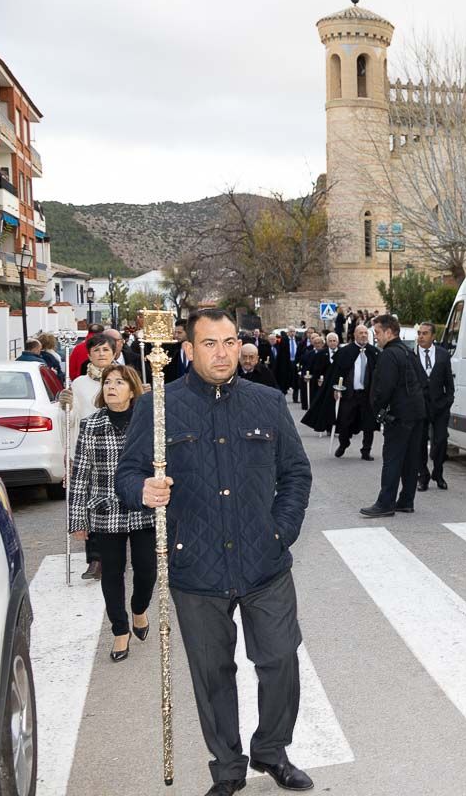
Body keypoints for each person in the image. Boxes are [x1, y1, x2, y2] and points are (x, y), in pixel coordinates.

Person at [116, 309, 314, 796]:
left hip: (264, 563)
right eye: (210, 343)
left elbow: (295, 474)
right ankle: (228, 769)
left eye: (230, 342)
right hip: (195, 567)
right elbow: (127, 475)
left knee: (280, 661)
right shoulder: (158, 406)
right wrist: (144, 489)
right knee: (212, 673)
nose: (223, 352)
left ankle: (272, 750)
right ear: (188, 350)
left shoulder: (267, 402)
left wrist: (279, 531)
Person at [67, 364, 155, 662]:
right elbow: (80, 474)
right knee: (112, 573)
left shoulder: (149, 422)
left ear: (133, 389)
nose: (111, 387)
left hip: (143, 506)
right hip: (106, 509)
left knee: (147, 570)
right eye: (107, 382)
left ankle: (139, 609)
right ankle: (119, 630)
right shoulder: (92, 425)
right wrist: (77, 519)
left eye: (119, 382)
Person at [65, 333, 119, 580]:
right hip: (90, 450)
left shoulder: (124, 377)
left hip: (119, 447)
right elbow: (71, 418)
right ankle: (95, 559)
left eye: (105, 350)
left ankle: (116, 554)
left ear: (114, 353)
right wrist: (64, 405)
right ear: (88, 355)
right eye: (96, 350)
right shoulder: (78, 384)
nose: (101, 354)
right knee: (92, 504)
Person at [361, 315, 427, 517]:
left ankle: (386, 503)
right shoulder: (408, 352)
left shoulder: (389, 354)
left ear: (389, 332)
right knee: (410, 459)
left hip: (399, 416)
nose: (376, 338)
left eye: (378, 333)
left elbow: (383, 387)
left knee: (392, 459)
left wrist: (378, 409)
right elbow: (424, 381)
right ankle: (406, 500)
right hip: (416, 414)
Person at [330, 325, 380, 461]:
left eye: (365, 333)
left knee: (369, 424)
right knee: (344, 422)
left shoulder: (374, 352)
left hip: (367, 395)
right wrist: (336, 389)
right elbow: (337, 372)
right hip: (350, 394)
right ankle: (343, 443)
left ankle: (366, 451)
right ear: (355, 335)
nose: (364, 335)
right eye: (361, 333)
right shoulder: (346, 351)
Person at [415, 322, 455, 491]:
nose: (421, 336)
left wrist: (448, 401)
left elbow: (449, 382)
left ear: (433, 336)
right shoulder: (411, 355)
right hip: (419, 408)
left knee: (440, 441)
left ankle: (438, 473)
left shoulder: (443, 355)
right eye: (419, 333)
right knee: (419, 443)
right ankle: (422, 476)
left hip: (440, 407)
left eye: (425, 333)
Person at [301, 333, 342, 436]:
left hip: (338, 383)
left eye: (334, 341)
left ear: (337, 342)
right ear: (327, 342)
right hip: (325, 384)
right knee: (325, 406)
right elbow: (316, 369)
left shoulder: (342, 353)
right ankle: (327, 426)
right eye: (330, 341)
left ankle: (339, 428)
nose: (332, 343)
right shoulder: (321, 354)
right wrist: (318, 378)